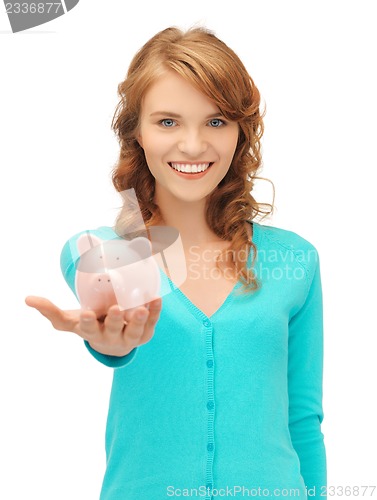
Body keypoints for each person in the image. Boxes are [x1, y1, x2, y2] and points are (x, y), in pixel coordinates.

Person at [26, 26, 327, 499]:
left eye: (216, 121)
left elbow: (302, 420)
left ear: (240, 132)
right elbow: (100, 284)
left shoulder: (295, 260)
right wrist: (112, 341)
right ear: (137, 133)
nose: (191, 145)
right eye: (168, 122)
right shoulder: (108, 250)